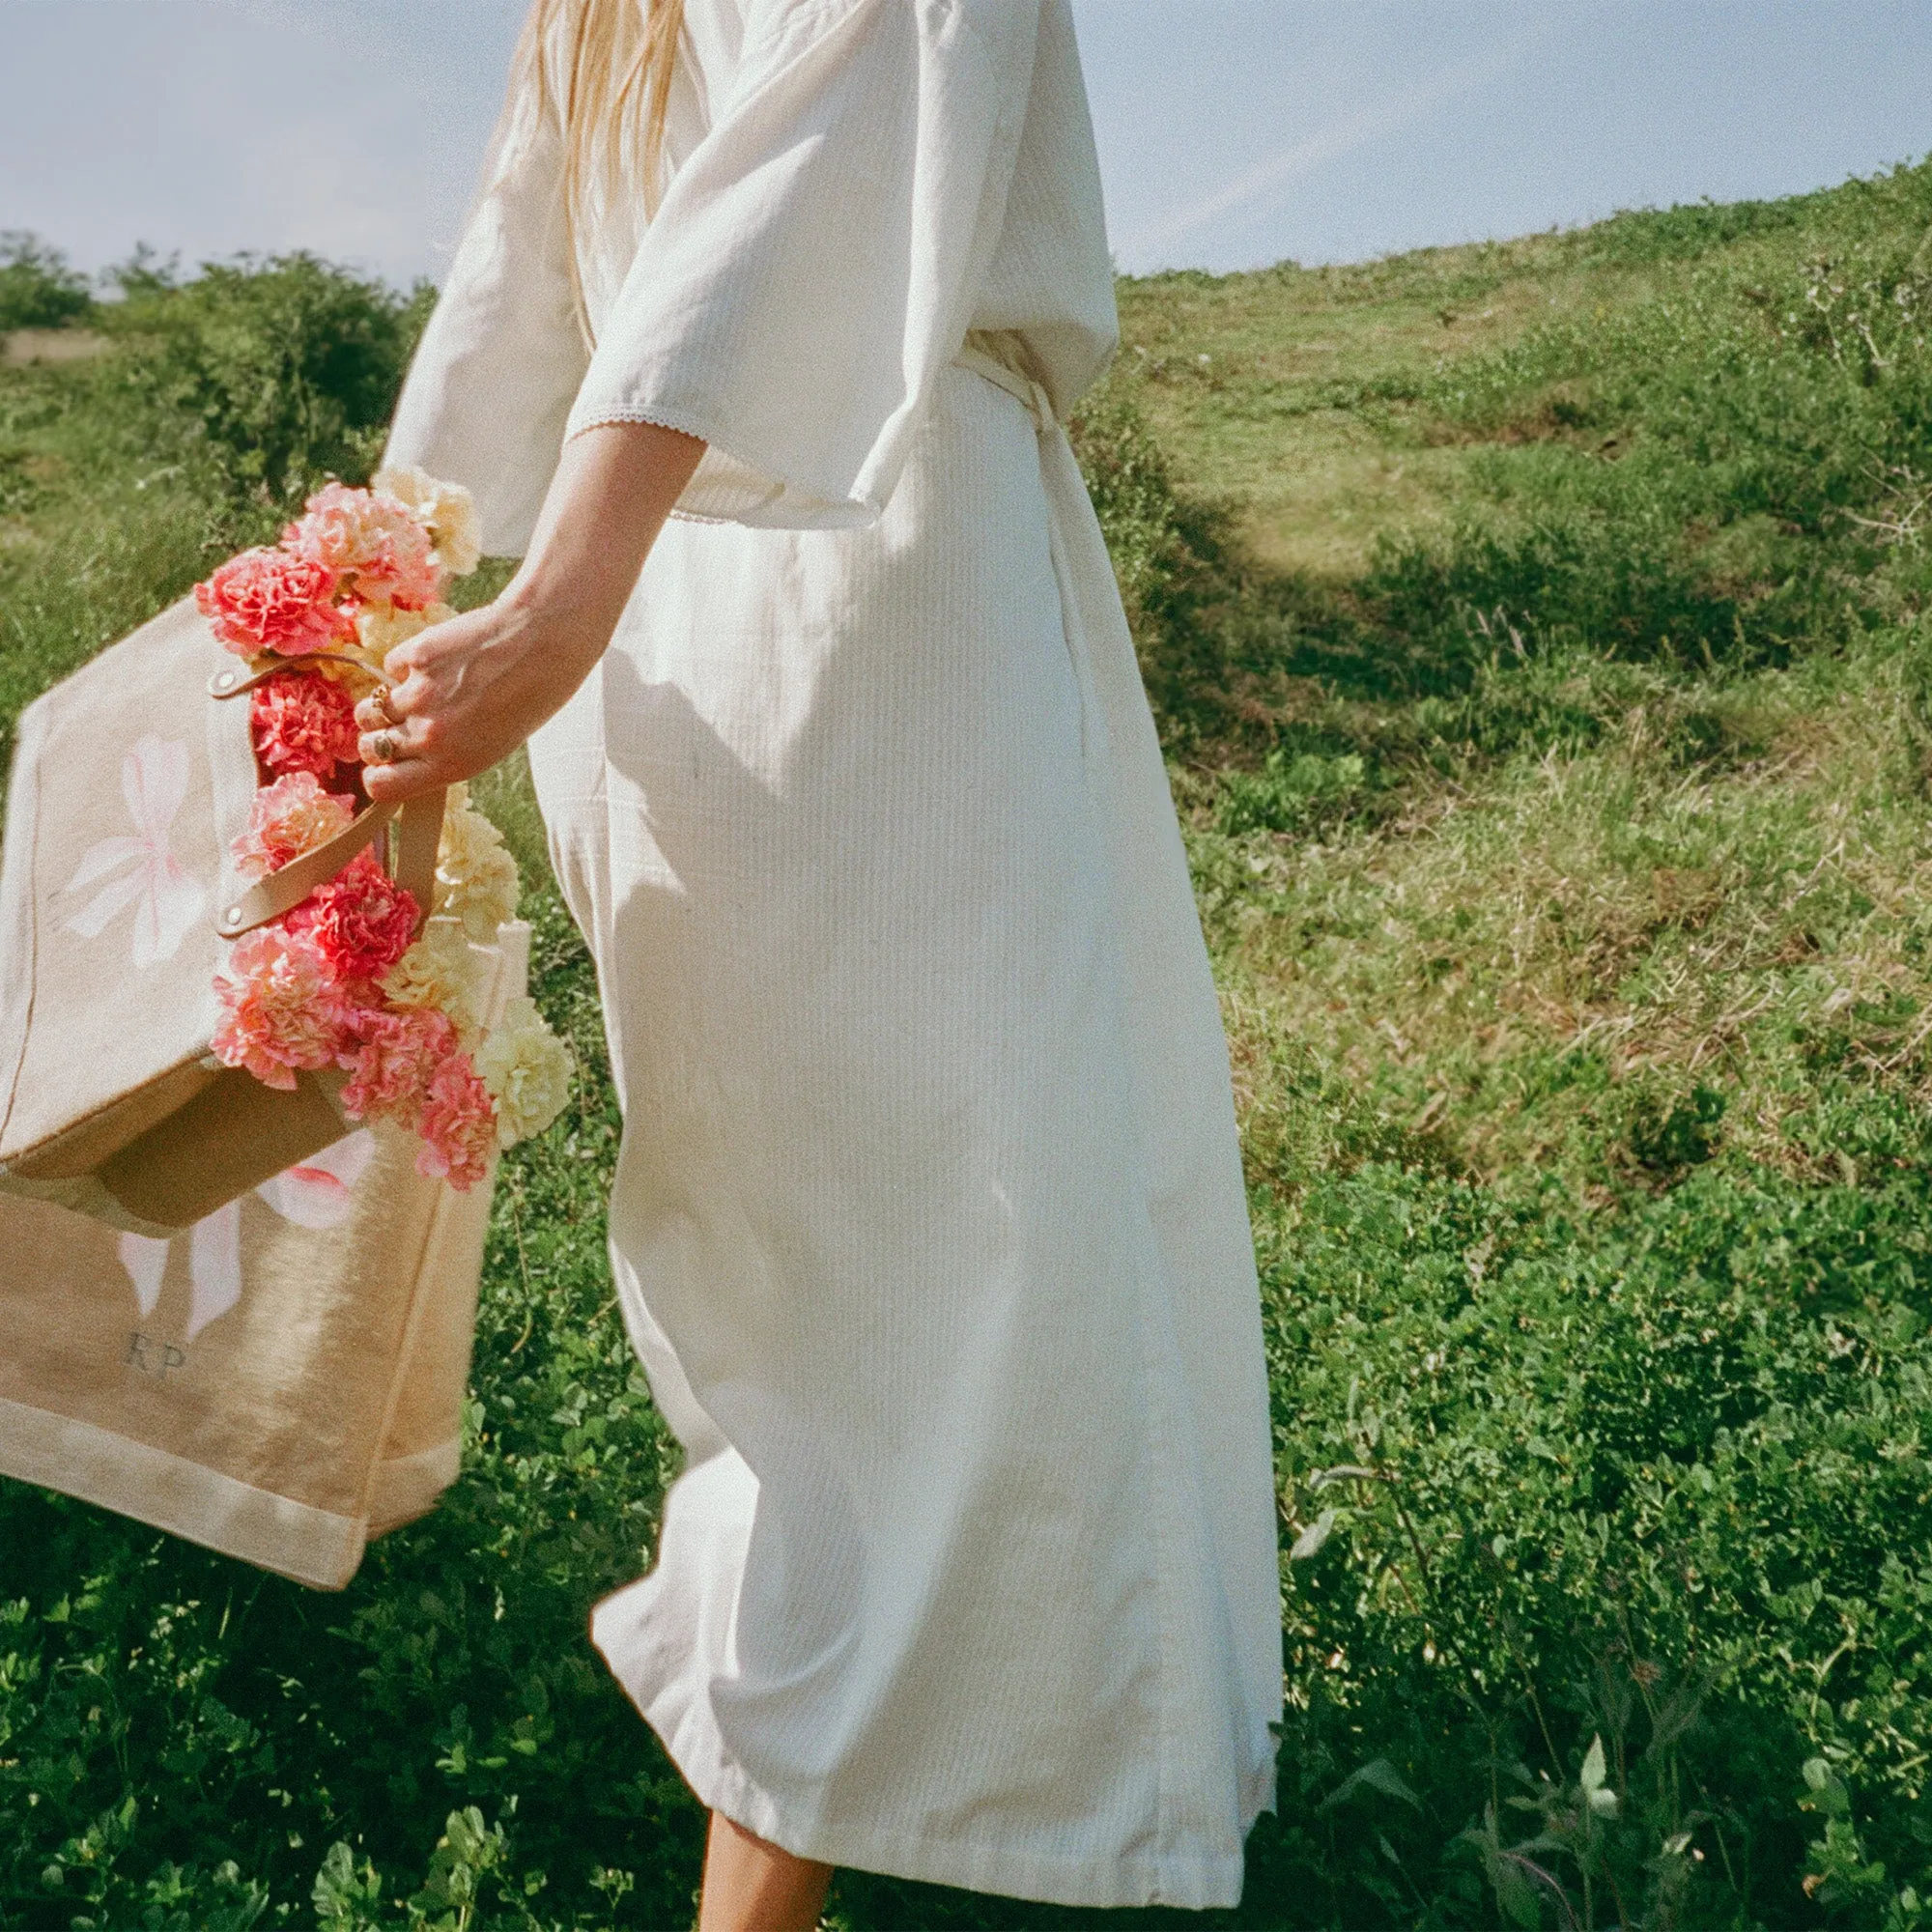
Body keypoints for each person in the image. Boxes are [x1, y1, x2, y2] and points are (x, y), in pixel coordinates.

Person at [361, 1, 1281, 1925]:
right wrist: (537, 607)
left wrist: (400, 596)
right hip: (876, 570)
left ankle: (846, 1806)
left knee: (792, 1304)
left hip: (653, 652)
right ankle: (957, 1808)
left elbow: (508, 300)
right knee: (984, 1272)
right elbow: (800, 194)